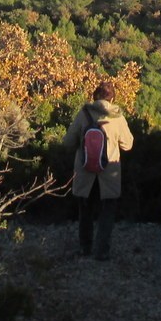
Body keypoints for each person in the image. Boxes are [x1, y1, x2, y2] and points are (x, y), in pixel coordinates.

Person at [63, 81, 134, 261]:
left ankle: (85, 247)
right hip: (109, 172)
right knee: (107, 211)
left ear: (94, 96)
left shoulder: (84, 114)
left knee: (85, 210)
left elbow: (68, 141)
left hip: (85, 170)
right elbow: (128, 144)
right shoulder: (117, 118)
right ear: (112, 98)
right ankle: (102, 251)